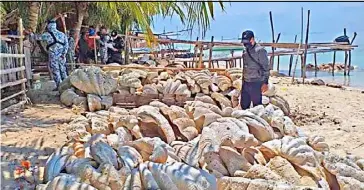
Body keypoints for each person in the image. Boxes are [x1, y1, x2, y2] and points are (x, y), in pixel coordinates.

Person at [30, 19, 69, 90]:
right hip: (62, 56)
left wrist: (30, 33)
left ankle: (60, 86)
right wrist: (64, 54)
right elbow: (66, 45)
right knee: (63, 70)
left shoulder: (47, 35)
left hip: (53, 56)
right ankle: (67, 86)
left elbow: (36, 37)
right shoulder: (62, 34)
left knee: (55, 71)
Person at [240, 30, 269, 109]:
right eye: (243, 42)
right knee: (244, 106)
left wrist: (265, 83)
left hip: (256, 82)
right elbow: (244, 68)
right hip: (246, 82)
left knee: (257, 107)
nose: (245, 44)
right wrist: (243, 82)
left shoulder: (260, 51)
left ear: (252, 39)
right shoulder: (245, 51)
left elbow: (266, 68)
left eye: (246, 41)